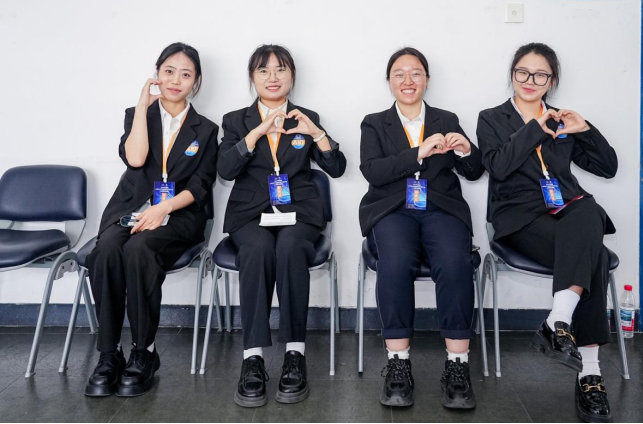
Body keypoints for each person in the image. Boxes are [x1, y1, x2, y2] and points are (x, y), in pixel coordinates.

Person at [476, 42, 618, 423]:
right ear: (513, 74)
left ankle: (559, 320)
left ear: (551, 81)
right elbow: (498, 167)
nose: (530, 81)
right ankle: (590, 373)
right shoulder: (491, 119)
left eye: (540, 75)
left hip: (567, 213)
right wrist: (534, 130)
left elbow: (608, 168)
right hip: (519, 219)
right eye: (523, 72)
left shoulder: (562, 120)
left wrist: (585, 129)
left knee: (588, 210)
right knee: (596, 253)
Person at [85, 43, 219, 397]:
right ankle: (109, 353)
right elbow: (136, 159)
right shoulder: (137, 114)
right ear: (157, 73)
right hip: (129, 210)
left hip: (180, 214)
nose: (176, 80)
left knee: (139, 250)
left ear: (196, 82)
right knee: (106, 251)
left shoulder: (206, 129)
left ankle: (144, 351)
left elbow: (201, 184)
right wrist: (143, 106)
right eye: (169, 71)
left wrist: (164, 209)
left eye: (186, 74)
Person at [217, 44, 347, 407]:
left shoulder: (307, 117)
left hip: (299, 213)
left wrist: (316, 133)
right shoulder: (235, 120)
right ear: (252, 77)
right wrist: (256, 133)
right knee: (257, 250)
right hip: (249, 214)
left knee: (290, 248)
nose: (272, 77)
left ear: (292, 76)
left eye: (280, 70)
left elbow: (337, 167)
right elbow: (225, 170)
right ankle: (253, 358)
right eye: (263, 70)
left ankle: (294, 354)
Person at [359, 47, 484, 409]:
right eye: (399, 74)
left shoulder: (447, 118)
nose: (408, 80)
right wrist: (417, 153)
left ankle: (457, 365)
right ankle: (398, 364)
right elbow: (373, 171)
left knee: (455, 262)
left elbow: (474, 171)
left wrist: (466, 150)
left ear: (427, 80)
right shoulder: (374, 122)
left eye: (416, 73)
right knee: (396, 262)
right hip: (392, 209)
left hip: (441, 208)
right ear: (389, 81)